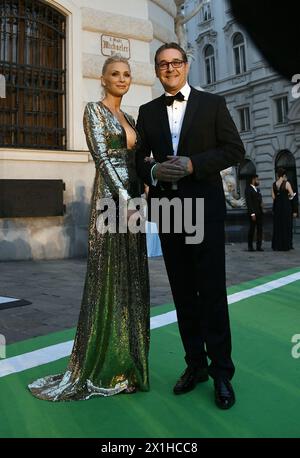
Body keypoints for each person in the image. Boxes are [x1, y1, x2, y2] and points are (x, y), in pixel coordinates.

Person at [28, 56, 150, 401]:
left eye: (127, 74)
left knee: (132, 277)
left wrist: (143, 188)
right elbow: (103, 158)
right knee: (109, 277)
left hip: (132, 202)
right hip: (111, 200)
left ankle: (127, 364)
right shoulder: (93, 111)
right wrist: (125, 197)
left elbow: (136, 161)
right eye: (115, 74)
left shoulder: (131, 118)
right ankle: (102, 365)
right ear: (103, 78)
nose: (122, 79)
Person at [136, 43, 245, 409]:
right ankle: (194, 365)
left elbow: (234, 150)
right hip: (167, 210)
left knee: (211, 293)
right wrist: (152, 169)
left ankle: (222, 374)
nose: (170, 68)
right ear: (156, 70)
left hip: (204, 208)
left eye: (176, 62)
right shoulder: (147, 111)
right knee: (183, 292)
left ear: (186, 65)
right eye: (163, 64)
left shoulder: (213, 104)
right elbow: (137, 159)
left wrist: (194, 165)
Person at [272, 168, 297, 251]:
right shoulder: (286, 183)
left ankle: (278, 245)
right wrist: (289, 196)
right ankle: (287, 245)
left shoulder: (274, 184)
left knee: (278, 226)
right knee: (287, 226)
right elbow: (292, 195)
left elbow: (273, 197)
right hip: (286, 206)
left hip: (277, 207)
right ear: (284, 175)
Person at [245, 174, 264, 251]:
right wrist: (252, 214)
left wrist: (262, 204)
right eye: (257, 179)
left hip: (259, 212)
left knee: (260, 230)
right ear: (253, 180)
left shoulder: (257, 189)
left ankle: (258, 246)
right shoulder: (248, 189)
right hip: (253, 213)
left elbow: (259, 199)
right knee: (252, 230)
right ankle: (250, 246)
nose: (258, 181)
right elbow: (249, 202)